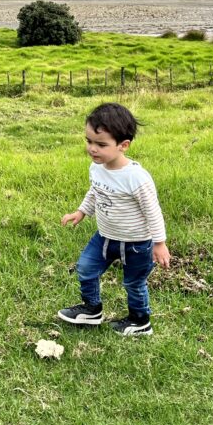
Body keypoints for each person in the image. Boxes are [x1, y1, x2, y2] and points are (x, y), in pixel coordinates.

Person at [58, 102, 170, 336]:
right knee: (86, 268)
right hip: (105, 237)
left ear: (123, 145)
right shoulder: (96, 168)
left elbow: (153, 211)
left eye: (101, 144)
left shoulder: (136, 178)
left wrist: (159, 244)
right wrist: (81, 212)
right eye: (89, 141)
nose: (92, 149)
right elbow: (95, 191)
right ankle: (92, 309)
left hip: (137, 244)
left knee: (133, 283)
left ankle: (140, 321)